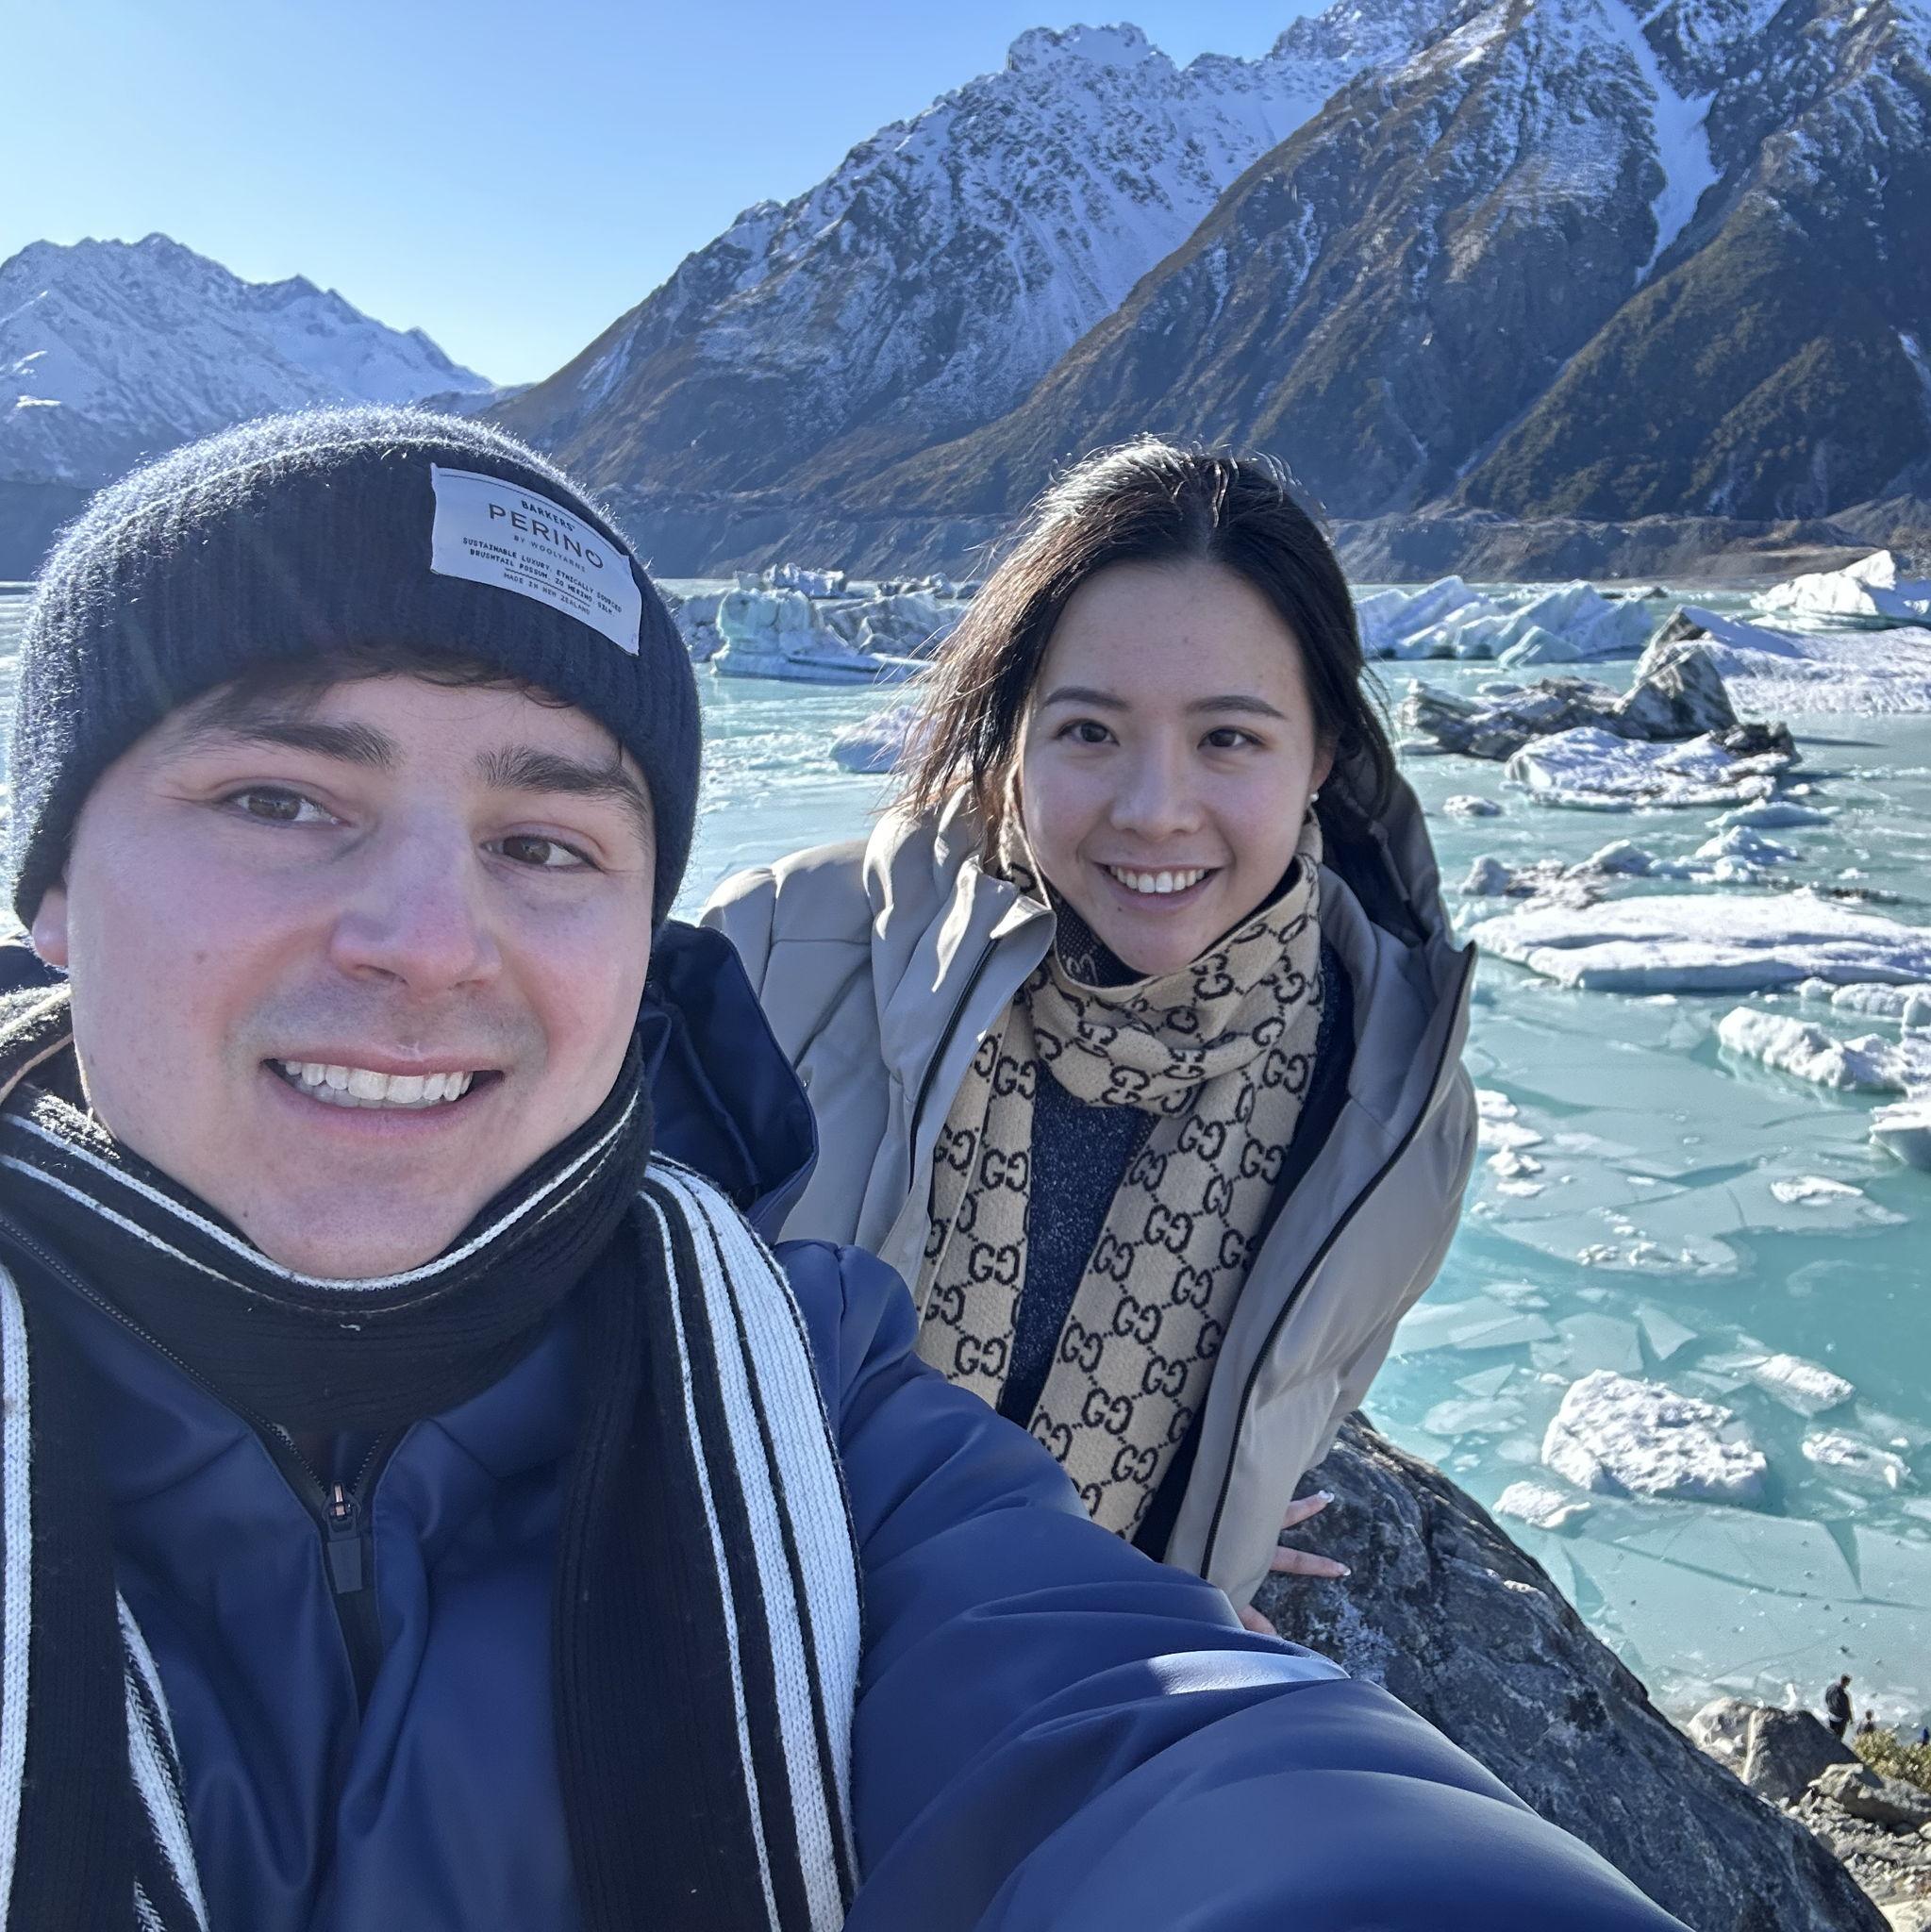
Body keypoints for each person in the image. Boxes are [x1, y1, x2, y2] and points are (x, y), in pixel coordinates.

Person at [0, 408, 1686, 1931]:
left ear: (1321, 753)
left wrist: (1249, 1515)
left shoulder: (823, 1372)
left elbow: (1096, 1678)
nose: (427, 941)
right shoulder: (776, 1035)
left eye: (540, 843)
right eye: (278, 800)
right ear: (52, 875)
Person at [704, 439, 1474, 1627]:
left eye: (1229, 737)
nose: (1154, 809)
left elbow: (1300, 1388)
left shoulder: (1395, 1097)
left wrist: (1212, 1527)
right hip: (744, 1650)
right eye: (1089, 732)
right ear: (1011, 730)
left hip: (1085, 1681)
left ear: (1322, 752)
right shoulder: (773, 954)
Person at [1826, 1673, 1854, 1739]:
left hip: (1831, 1714)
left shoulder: (1831, 1687)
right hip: (1839, 1718)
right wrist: (1851, 1719)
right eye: (1848, 1682)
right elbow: (1847, 1709)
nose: (1848, 1684)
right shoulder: (1843, 1695)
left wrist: (1830, 1708)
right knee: (1839, 1736)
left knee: (1831, 1733)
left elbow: (1826, 1698)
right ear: (1846, 1682)